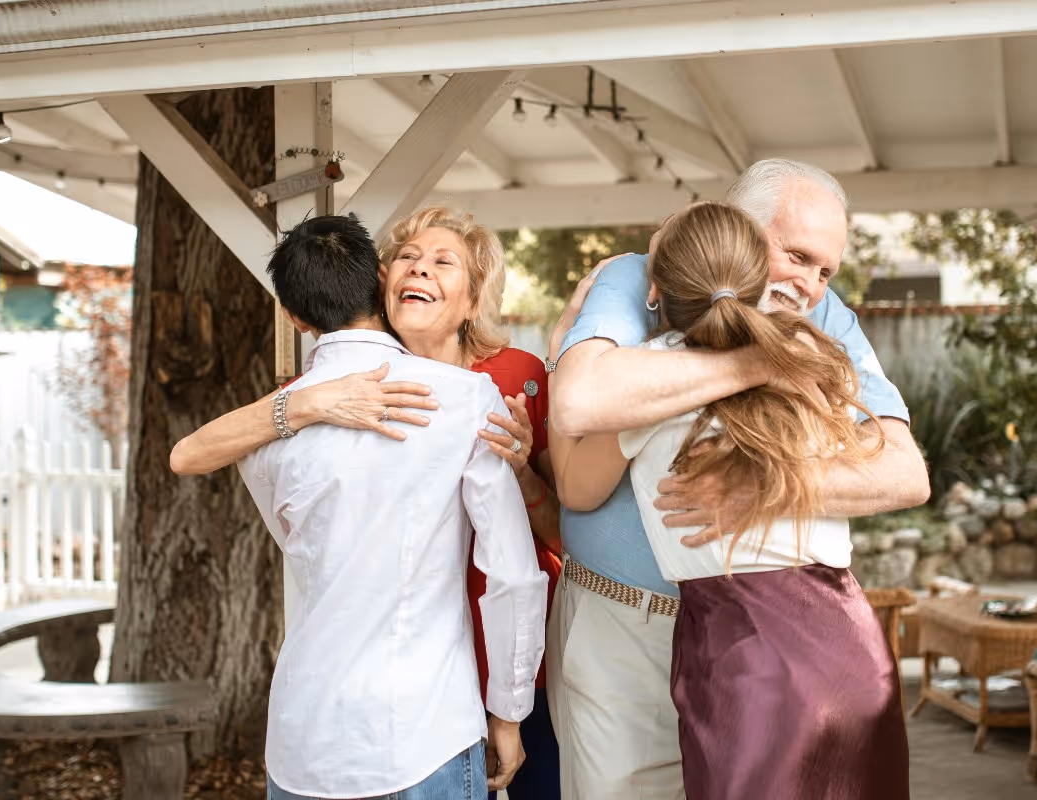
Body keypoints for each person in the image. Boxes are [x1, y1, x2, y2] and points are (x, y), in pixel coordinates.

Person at [544, 159, 930, 799]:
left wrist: (759, 489)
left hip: (750, 650)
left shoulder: (822, 319)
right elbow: (580, 403)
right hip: (631, 630)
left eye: (826, 270)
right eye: (797, 255)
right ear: (738, 228)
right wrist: (761, 360)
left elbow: (904, 471)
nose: (810, 287)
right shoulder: (636, 277)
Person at [170, 208, 563, 799]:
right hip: (425, 724)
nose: (420, 269)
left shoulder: (266, 429)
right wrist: (508, 713)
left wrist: (300, 406)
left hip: (307, 733)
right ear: (379, 281)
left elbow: (292, 536)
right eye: (410, 257)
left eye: (441, 261)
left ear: (291, 316)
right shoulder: (466, 401)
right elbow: (512, 574)